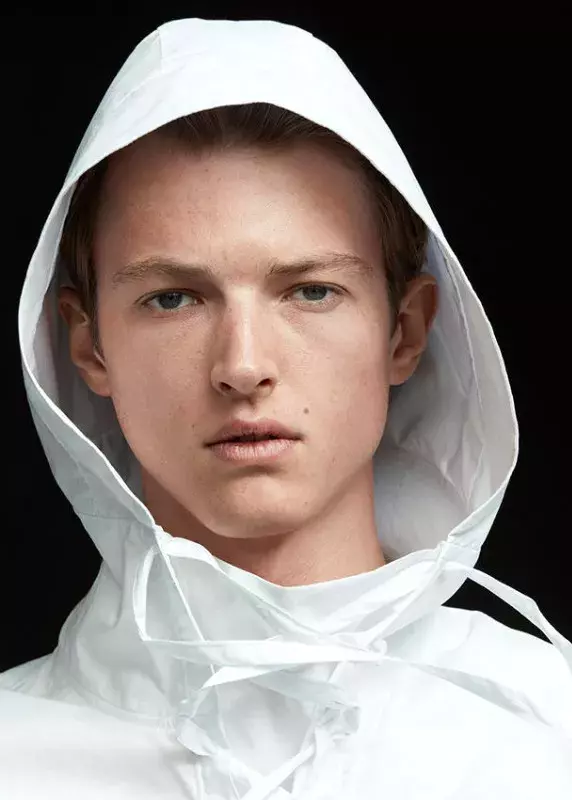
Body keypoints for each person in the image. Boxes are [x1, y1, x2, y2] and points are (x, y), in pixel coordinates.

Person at [1, 17, 571, 799]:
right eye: (174, 298)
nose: (242, 366)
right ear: (89, 343)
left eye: (310, 291)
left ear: (404, 331)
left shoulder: (547, 739)